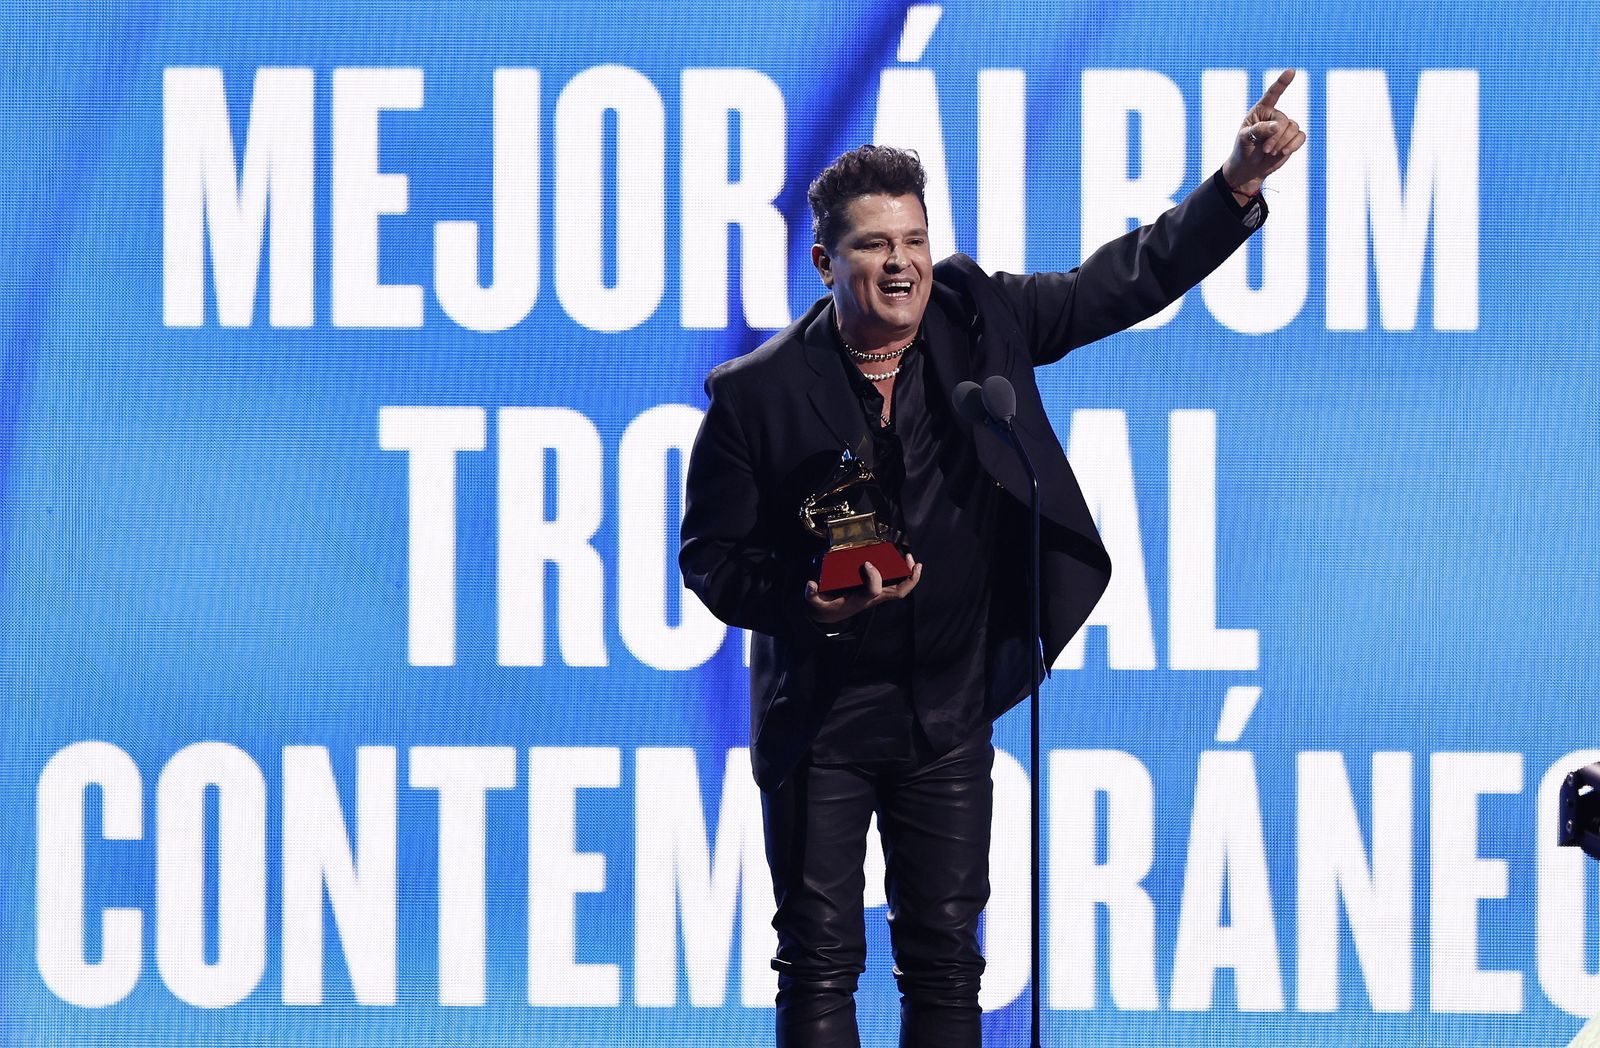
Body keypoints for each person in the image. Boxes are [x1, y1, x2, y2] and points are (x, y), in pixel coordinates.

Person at [680, 72, 1305, 1048]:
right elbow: (711, 563)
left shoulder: (978, 320)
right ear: (822, 260)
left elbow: (1118, 282)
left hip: (945, 708)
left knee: (945, 963)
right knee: (818, 961)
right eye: (874, 245)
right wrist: (810, 600)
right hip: (823, 719)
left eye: (914, 241)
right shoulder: (755, 396)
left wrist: (1229, 188)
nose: (901, 265)